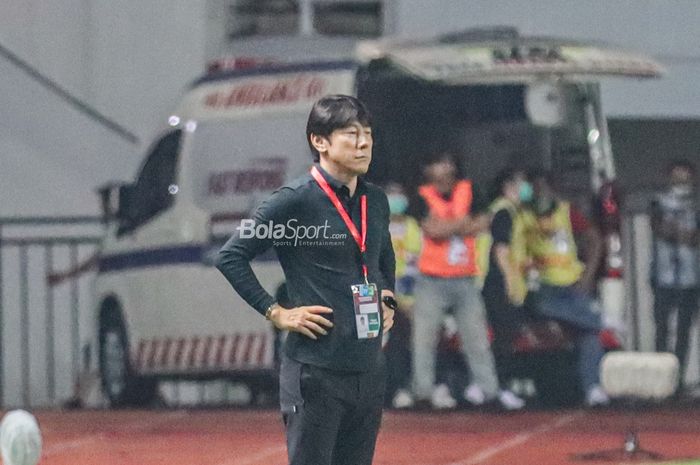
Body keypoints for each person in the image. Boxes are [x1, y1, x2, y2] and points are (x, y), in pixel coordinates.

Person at [216, 94, 396, 465]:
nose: (364, 143)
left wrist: (387, 296)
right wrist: (276, 312)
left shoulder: (374, 200)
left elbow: (383, 256)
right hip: (316, 372)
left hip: (367, 369)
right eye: (351, 134)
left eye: (368, 134)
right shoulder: (293, 201)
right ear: (320, 141)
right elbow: (231, 255)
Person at [408, 151, 524, 410]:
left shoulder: (468, 189)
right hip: (432, 279)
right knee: (424, 339)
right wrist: (463, 224)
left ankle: (489, 391)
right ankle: (423, 392)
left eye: (447, 162)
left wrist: (449, 226)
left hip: (465, 278)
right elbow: (432, 230)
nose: (445, 167)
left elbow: (484, 222)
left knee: (478, 339)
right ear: (428, 169)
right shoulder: (422, 196)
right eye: (438, 162)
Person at [520, 170, 609, 407]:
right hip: (541, 287)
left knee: (590, 336)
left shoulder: (566, 212)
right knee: (555, 310)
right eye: (536, 189)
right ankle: (598, 319)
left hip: (571, 285)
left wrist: (588, 276)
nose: (541, 194)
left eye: (545, 189)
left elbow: (595, 239)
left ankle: (593, 388)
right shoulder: (523, 215)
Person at [650, 159, 699, 383]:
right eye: (677, 177)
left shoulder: (696, 206)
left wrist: (681, 233)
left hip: (690, 278)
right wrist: (682, 233)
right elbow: (661, 229)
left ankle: (678, 379)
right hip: (663, 277)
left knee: (684, 330)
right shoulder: (658, 203)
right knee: (662, 328)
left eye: (685, 178)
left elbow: (693, 238)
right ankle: (661, 378)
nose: (682, 182)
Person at [482, 168, 532, 386]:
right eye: (521, 183)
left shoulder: (506, 211)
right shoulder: (504, 212)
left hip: (496, 280)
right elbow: (500, 251)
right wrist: (510, 282)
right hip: (498, 282)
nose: (526, 188)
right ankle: (499, 384)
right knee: (503, 337)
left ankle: (495, 384)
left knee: (503, 335)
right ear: (508, 187)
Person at [382, 182, 422, 409]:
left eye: (400, 195)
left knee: (406, 343)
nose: (396, 201)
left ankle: (404, 388)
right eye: (391, 196)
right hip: (379, 295)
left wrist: (407, 299)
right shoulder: (375, 226)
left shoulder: (413, 227)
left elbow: (415, 264)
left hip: (408, 294)